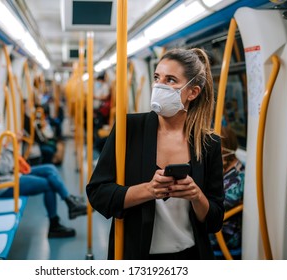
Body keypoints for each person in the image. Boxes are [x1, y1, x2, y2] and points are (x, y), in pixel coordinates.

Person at [86, 48, 225, 260]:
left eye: (170, 80)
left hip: (190, 255)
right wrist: (149, 190)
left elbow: (215, 220)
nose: (159, 86)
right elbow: (98, 193)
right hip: (136, 255)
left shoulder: (208, 144)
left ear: (193, 92)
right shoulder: (129, 129)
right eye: (157, 77)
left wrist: (196, 196)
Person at [0, 108, 87, 238]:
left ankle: (69, 200)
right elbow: (2, 167)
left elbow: (4, 159)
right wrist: (13, 149)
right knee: (48, 184)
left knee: (50, 168)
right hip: (4, 185)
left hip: (11, 176)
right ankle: (55, 223)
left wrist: (12, 149)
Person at [209, 126, 244, 259]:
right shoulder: (221, 166)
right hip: (213, 237)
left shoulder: (238, 176)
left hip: (226, 242)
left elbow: (220, 204)